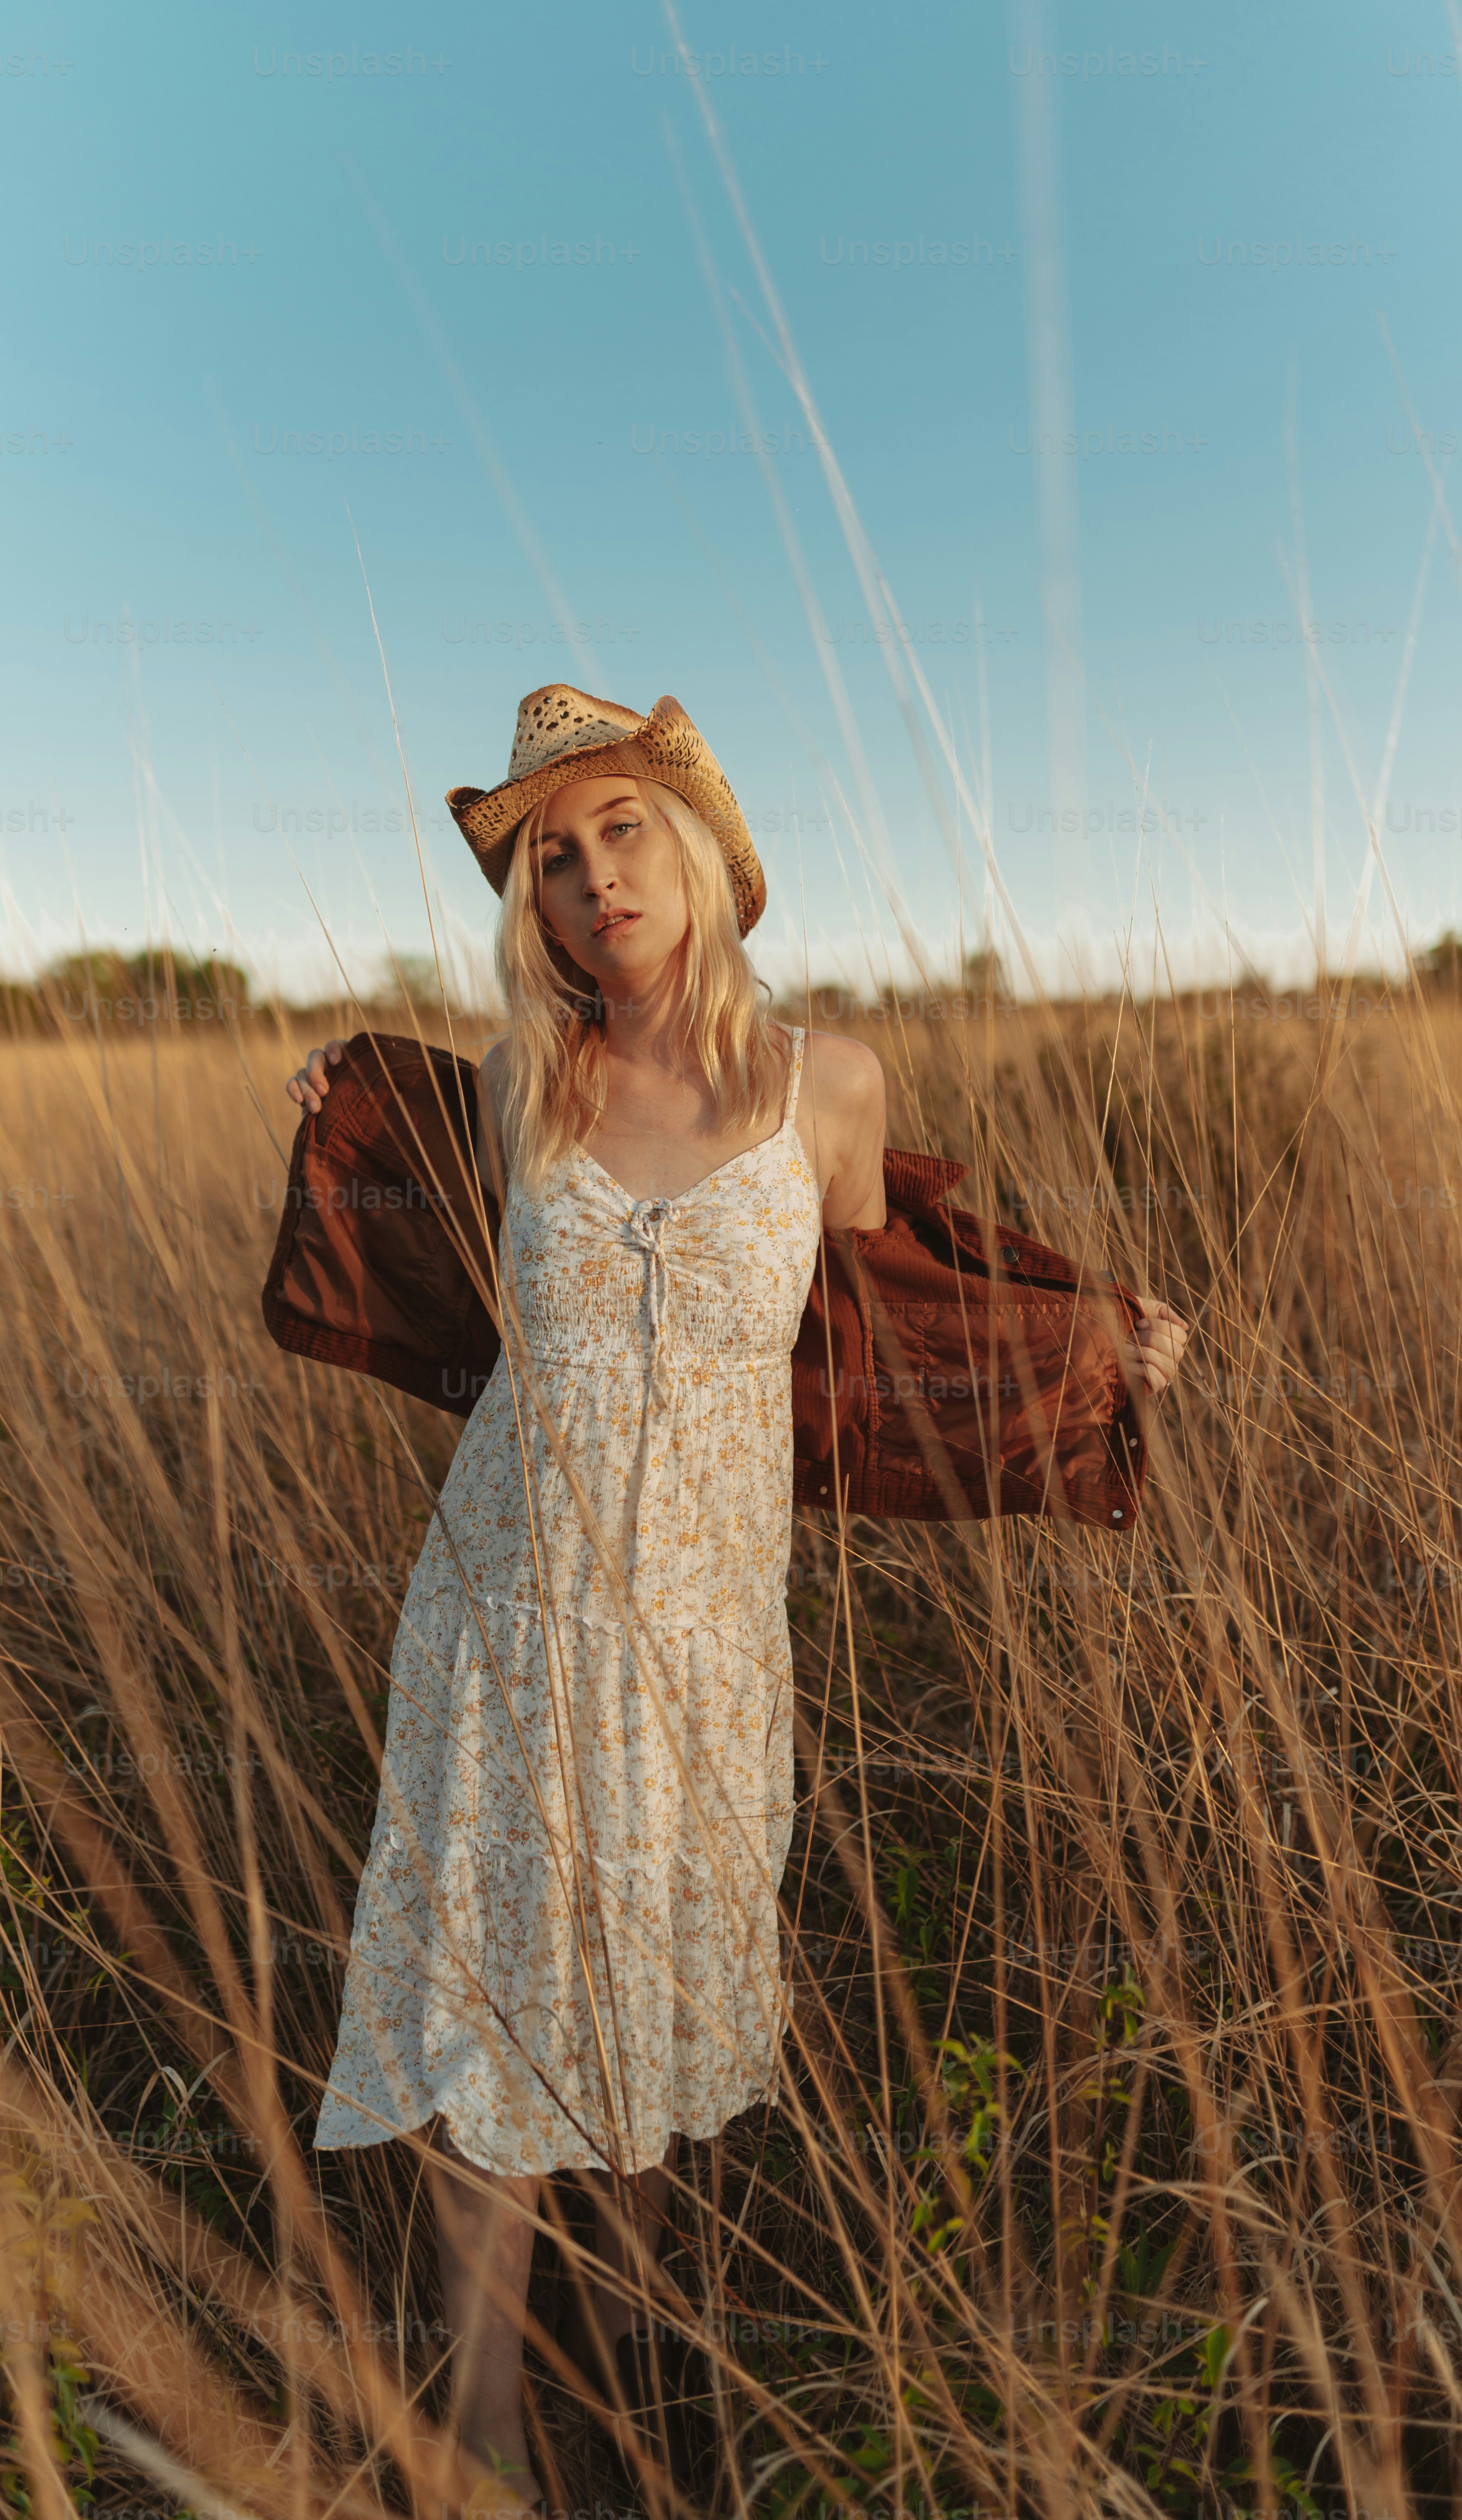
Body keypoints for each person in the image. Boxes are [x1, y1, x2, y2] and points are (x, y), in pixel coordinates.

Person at [284, 686, 1189, 2512]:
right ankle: (484, 2434)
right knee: (486, 2014)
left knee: (651, 2006)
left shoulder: (825, 1085)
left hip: (703, 1636)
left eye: (621, 831)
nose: (592, 878)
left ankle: (637, 2376)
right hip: (504, 1616)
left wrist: (1087, 1343)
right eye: (554, 858)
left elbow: (887, 1320)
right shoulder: (517, 1083)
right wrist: (340, 1102)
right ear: (533, 904)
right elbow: (423, 1245)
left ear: (697, 851)